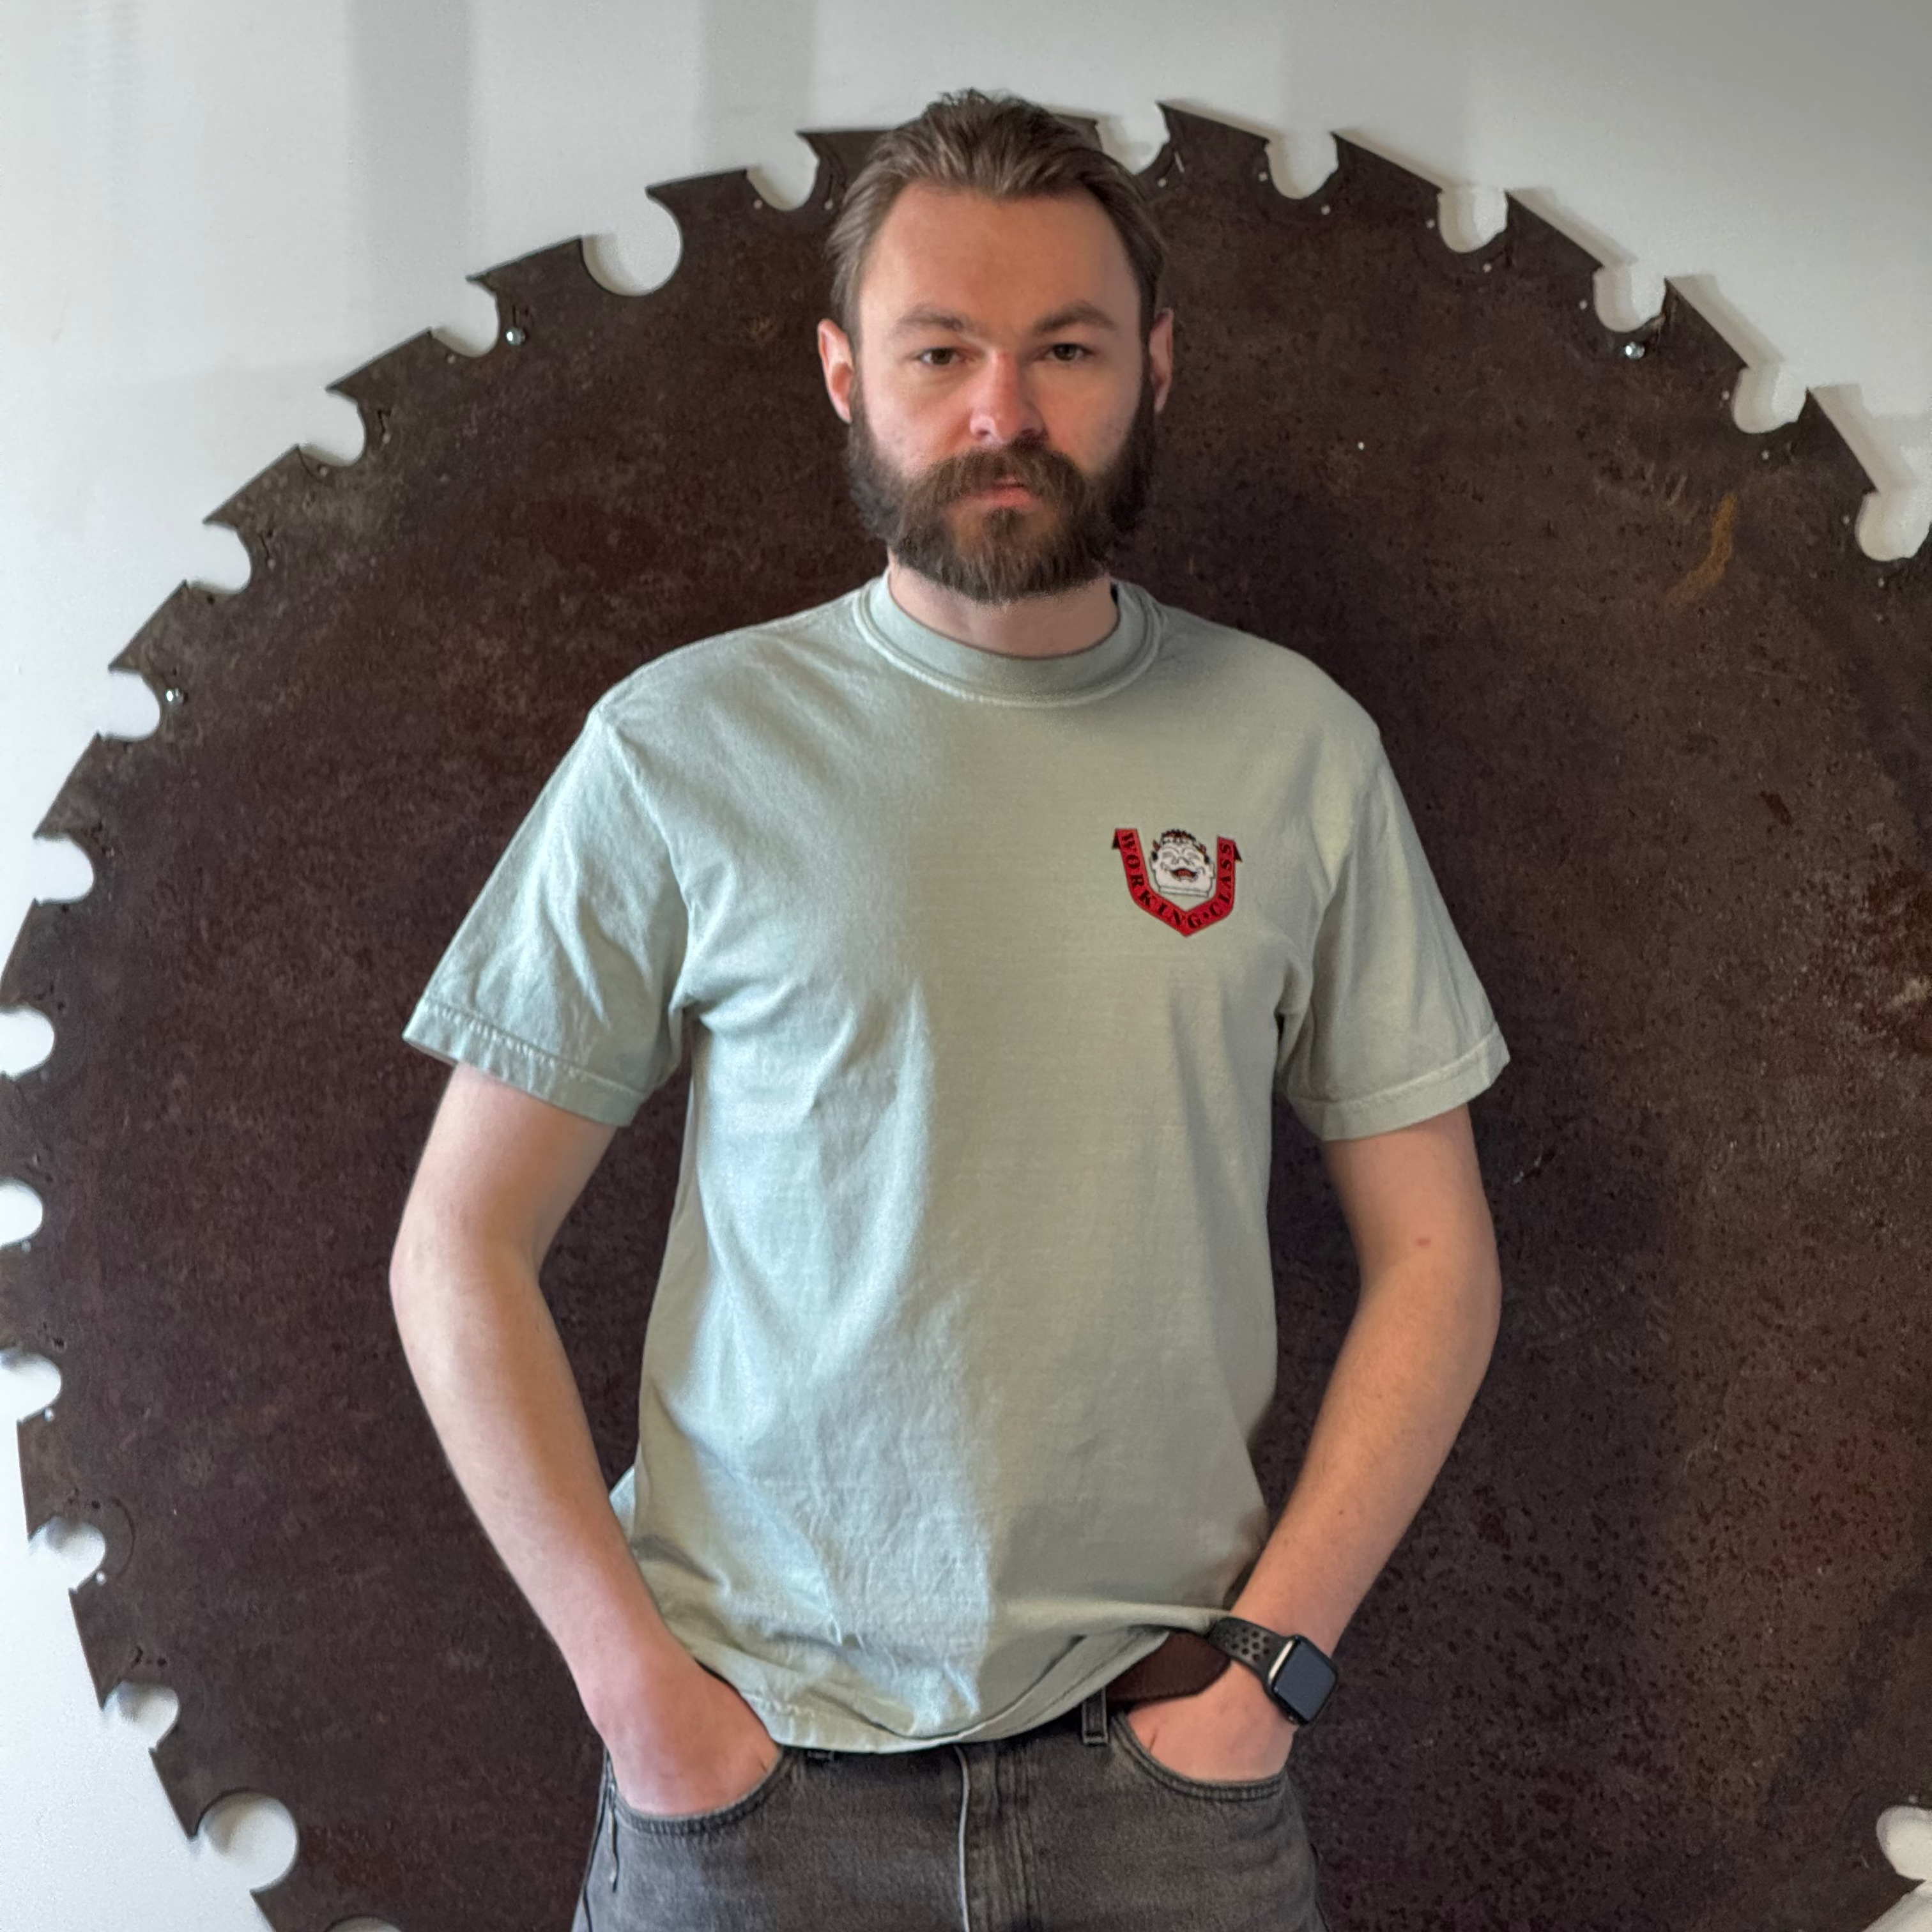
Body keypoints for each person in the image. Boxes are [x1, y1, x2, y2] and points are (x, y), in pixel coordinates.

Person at [388, 88, 1508, 1932]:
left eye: (1065, 348)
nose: (1004, 411)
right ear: (847, 373)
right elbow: (458, 1247)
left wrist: (1269, 1683)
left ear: (1153, 364)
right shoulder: (682, 748)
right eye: (942, 351)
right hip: (748, 1791)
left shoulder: (1294, 746)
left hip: (1165, 1780)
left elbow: (1438, 1256)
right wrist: (637, 1703)